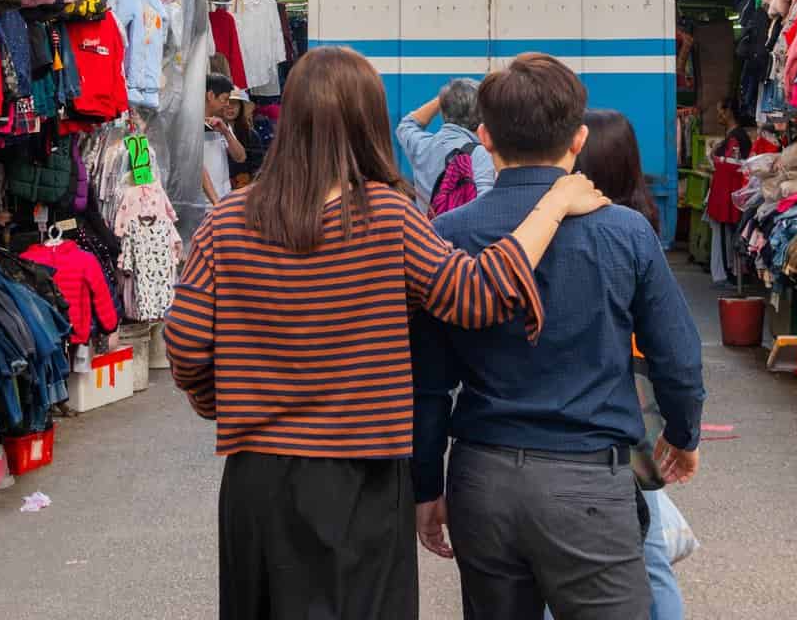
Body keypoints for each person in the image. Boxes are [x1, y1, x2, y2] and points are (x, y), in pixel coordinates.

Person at [165, 45, 609, 620]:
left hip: (258, 478)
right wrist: (552, 205)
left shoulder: (228, 220)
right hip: (365, 475)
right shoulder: (387, 216)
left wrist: (224, 403)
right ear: (368, 122)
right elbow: (476, 295)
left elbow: (185, 344)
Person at [414, 56, 706, 620]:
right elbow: (677, 355)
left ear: (484, 139)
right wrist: (683, 433)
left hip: (483, 479)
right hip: (590, 483)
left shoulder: (447, 235)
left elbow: (428, 385)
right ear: (578, 138)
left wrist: (427, 485)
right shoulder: (625, 231)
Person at [574, 109, 690, 620]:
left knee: (638, 547)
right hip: (639, 399)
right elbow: (673, 346)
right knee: (645, 540)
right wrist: (683, 431)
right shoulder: (642, 223)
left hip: (615, 398)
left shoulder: (599, 229)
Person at [399, 78, 498, 203]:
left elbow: (407, 124)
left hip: (426, 222)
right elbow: (484, 205)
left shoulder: (421, 147)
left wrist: (447, 97)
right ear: (482, 115)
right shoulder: (480, 154)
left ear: (444, 109)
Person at [201, 75, 245, 205]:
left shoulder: (221, 123)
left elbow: (240, 157)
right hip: (203, 204)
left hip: (224, 198)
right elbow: (197, 165)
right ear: (210, 96)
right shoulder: (191, 124)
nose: (227, 105)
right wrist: (215, 202)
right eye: (224, 99)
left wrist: (226, 132)